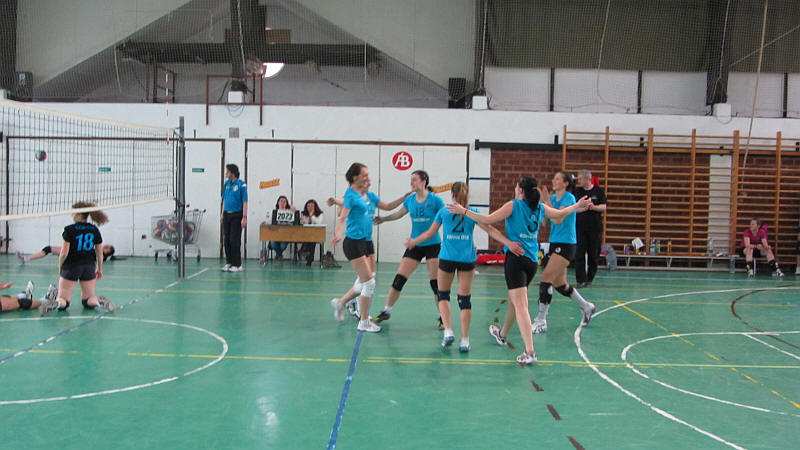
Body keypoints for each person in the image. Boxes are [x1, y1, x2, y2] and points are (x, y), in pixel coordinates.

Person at [448, 176, 591, 364]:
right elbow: (559, 213)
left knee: (521, 305)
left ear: (521, 190)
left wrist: (464, 211)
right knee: (514, 301)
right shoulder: (540, 207)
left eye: (516, 187)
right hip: (531, 261)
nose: (515, 189)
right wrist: (576, 206)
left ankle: (530, 352)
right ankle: (502, 334)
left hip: (515, 259)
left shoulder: (513, 206)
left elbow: (487, 219)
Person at [407, 182, 519, 353]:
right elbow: (490, 230)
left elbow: (430, 234)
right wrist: (508, 243)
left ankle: (448, 331)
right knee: (464, 300)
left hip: (447, 258)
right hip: (466, 259)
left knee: (442, 295)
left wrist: (414, 241)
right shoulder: (472, 213)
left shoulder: (444, 211)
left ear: (452, 194)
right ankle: (465, 340)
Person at [329, 163, 405, 332]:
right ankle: (363, 321)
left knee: (367, 280)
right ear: (355, 177)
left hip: (366, 242)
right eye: (364, 175)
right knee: (369, 283)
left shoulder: (369, 195)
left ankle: (341, 303)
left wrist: (404, 198)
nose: (368, 178)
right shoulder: (350, 196)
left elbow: (388, 206)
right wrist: (338, 234)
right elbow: (342, 218)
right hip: (354, 243)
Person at [372, 170, 445, 326]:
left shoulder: (435, 200)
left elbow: (445, 217)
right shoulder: (410, 200)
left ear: (424, 181)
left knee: (436, 284)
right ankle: (386, 311)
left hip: (433, 245)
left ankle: (443, 317)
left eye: (414, 179)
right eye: (411, 180)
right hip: (414, 245)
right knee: (399, 280)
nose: (411, 183)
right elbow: (399, 214)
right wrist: (384, 219)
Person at [532, 171, 597, 334]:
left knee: (545, 280)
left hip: (566, 244)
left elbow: (558, 219)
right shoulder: (554, 198)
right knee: (560, 285)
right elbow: (547, 222)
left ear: (566, 183)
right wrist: (543, 205)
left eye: (557, 179)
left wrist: (546, 201)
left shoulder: (569, 198)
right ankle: (586, 306)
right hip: (555, 242)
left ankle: (541, 321)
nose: (554, 181)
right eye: (554, 178)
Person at [39, 202, 116, 316]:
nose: (71, 215)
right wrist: (99, 269)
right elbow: (99, 253)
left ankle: (56, 303)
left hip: (71, 266)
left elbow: (64, 253)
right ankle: (99, 302)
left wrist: (60, 267)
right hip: (89, 266)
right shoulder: (94, 229)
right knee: (88, 300)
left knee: (63, 299)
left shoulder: (69, 229)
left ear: (79, 214)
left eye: (73, 213)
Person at [573, 170, 607, 288]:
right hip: (580, 228)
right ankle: (580, 280)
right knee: (579, 254)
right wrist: (582, 208)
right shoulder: (577, 192)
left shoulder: (598, 191)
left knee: (594, 255)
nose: (579, 181)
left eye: (580, 179)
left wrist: (594, 207)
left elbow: (603, 206)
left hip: (595, 228)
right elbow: (574, 208)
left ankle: (589, 277)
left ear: (587, 179)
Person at [221, 163, 248, 272]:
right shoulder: (226, 184)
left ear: (232, 173)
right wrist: (222, 214)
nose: (226, 173)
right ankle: (229, 262)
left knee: (234, 240)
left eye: (227, 171)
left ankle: (237, 264)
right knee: (226, 239)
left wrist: (244, 217)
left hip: (237, 215)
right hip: (227, 214)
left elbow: (245, 201)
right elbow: (224, 200)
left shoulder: (241, 184)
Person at [265, 195, 298, 262]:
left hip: (286, 235)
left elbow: (296, 219)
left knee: (282, 246)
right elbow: (270, 221)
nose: (282, 203)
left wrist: (294, 210)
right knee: (273, 244)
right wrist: (265, 222)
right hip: (275, 234)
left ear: (286, 203)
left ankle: (278, 255)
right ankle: (280, 255)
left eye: (284, 202)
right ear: (278, 203)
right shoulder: (275, 212)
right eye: (281, 201)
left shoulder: (289, 211)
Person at [18, 244, 116, 263]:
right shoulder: (98, 252)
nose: (105, 246)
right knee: (48, 249)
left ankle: (26, 259)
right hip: (72, 252)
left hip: (71, 254)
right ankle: (26, 258)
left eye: (108, 248)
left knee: (48, 249)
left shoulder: (99, 255)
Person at [299, 199, 325, 266]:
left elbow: (319, 222)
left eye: (312, 206)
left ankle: (304, 252)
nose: (310, 208)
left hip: (315, 234)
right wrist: (301, 222)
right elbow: (301, 223)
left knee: (312, 240)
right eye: (308, 206)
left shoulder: (320, 214)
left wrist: (311, 216)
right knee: (310, 240)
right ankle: (309, 258)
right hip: (304, 234)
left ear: (315, 207)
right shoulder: (303, 214)